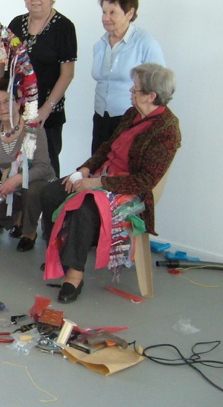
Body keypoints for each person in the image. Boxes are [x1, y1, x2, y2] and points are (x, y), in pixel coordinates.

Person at [40, 63, 180, 303]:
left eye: (136, 90)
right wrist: (85, 169)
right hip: (103, 177)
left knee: (83, 208)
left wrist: (97, 183)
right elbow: (107, 148)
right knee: (52, 192)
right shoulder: (132, 114)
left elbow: (145, 180)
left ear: (151, 96)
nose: (131, 93)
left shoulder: (167, 130)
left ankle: (74, 275)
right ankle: (66, 254)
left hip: (129, 192)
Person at [0, 0, 76, 178]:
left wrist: (46, 109)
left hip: (46, 113)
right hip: (14, 111)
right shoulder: (15, 24)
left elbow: (67, 74)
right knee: (8, 166)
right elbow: (2, 63)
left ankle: (47, 211)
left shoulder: (64, 27)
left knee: (44, 168)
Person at [0, 80, 55, 251]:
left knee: (31, 187)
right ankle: (17, 218)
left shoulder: (34, 129)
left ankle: (29, 233)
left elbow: (42, 167)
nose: (3, 107)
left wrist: (17, 180)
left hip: (39, 183)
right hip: (10, 187)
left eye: (7, 101)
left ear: (18, 102)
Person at [91, 0, 166, 154]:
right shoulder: (100, 44)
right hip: (101, 118)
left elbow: (160, 86)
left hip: (131, 119)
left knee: (120, 171)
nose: (105, 17)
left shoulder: (145, 43)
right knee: (96, 167)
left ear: (130, 13)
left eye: (112, 12)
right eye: (104, 12)